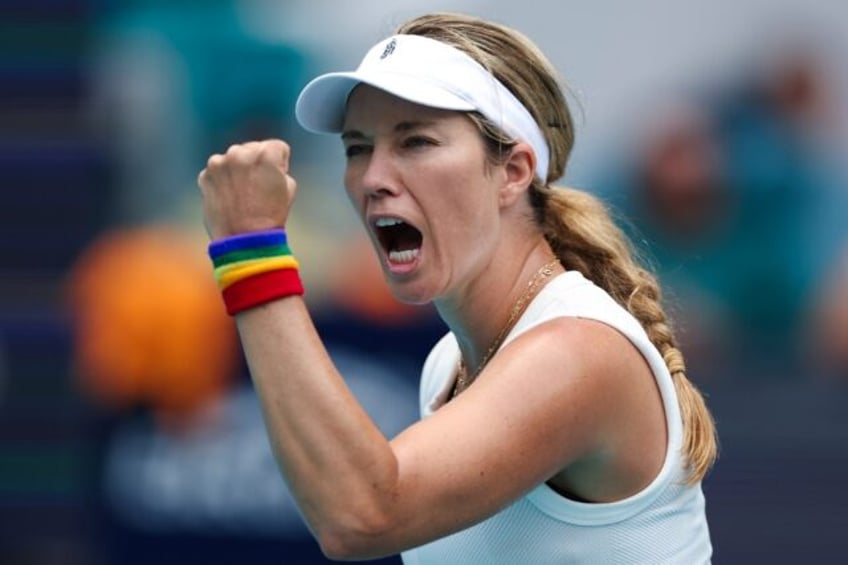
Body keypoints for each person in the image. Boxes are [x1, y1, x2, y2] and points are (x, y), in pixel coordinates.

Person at [197, 12, 717, 564]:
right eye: (357, 148)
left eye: (416, 141)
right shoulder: (448, 363)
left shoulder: (577, 352)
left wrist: (252, 254)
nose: (373, 177)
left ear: (513, 172)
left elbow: (362, 516)